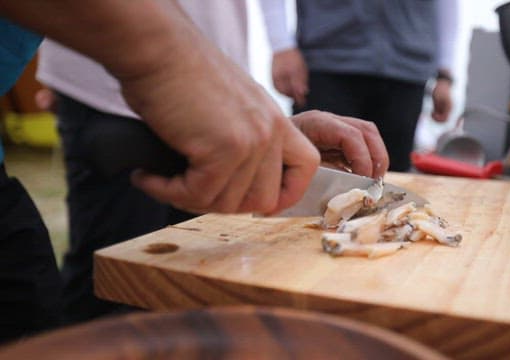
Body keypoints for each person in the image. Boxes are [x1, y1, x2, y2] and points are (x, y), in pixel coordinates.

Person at [0, 0, 388, 342]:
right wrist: (165, 63)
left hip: (189, 94)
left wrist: (253, 117)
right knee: (111, 301)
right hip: (116, 88)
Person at [267, 0, 459, 171]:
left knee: (394, 181)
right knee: (316, 176)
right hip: (326, 65)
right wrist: (281, 45)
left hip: (407, 71)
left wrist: (444, 73)